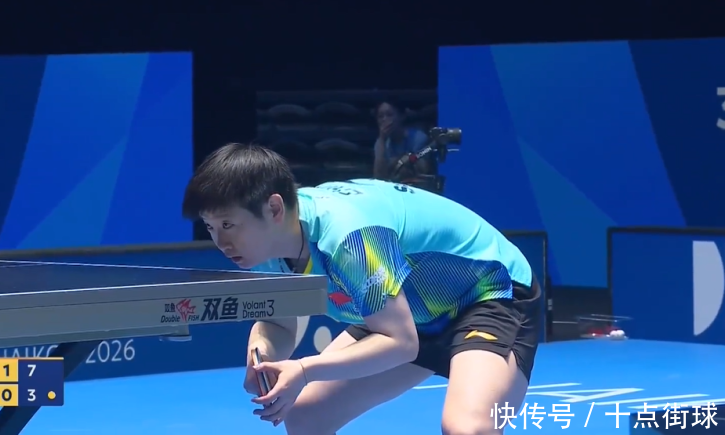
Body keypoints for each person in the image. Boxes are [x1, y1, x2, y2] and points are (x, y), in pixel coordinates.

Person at [181, 143, 541, 435]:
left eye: (228, 225)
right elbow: (280, 324)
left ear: (274, 208)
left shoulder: (349, 238)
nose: (221, 243)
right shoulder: (263, 248)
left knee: (468, 428)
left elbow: (401, 343)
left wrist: (304, 370)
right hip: (406, 308)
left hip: (487, 293)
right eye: (211, 228)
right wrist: (262, 355)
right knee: (306, 417)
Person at [372, 100, 433, 181]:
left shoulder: (418, 138)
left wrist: (397, 161)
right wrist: (382, 140)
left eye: (389, 115)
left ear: (401, 116)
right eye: (380, 116)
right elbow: (378, 176)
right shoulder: (380, 143)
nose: (384, 119)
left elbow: (424, 169)